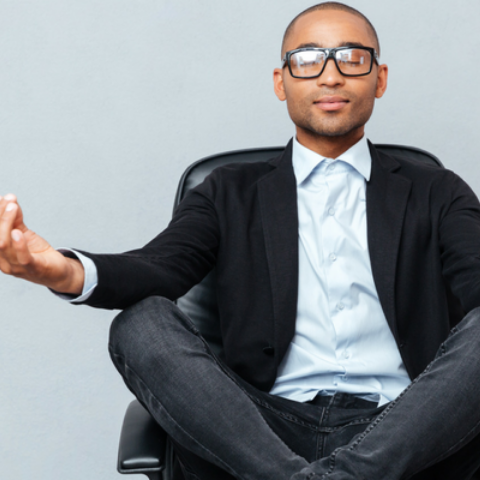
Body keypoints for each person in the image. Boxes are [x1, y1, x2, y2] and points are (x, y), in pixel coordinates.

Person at [1, 2, 480, 479]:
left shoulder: (437, 191)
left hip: (405, 430)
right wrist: (60, 270)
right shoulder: (228, 190)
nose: (330, 77)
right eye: (308, 59)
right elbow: (160, 267)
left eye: (351, 58)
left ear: (379, 78)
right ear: (281, 81)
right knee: (140, 323)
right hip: (262, 432)